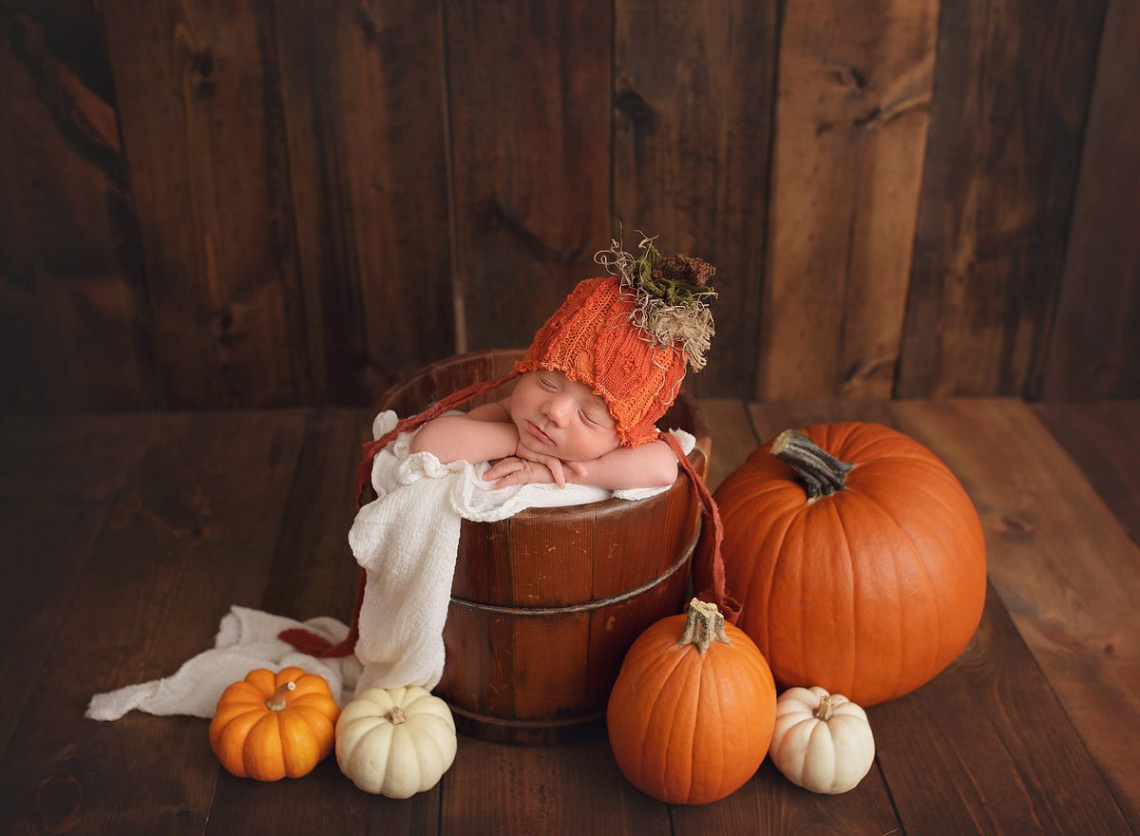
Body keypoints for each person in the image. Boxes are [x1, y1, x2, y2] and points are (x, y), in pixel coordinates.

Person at [408, 367, 681, 490]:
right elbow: (426, 444)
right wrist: (514, 441)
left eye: (588, 417)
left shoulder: (621, 448)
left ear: (623, 437)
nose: (554, 411)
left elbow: (664, 468)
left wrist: (557, 473)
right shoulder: (506, 416)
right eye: (546, 383)